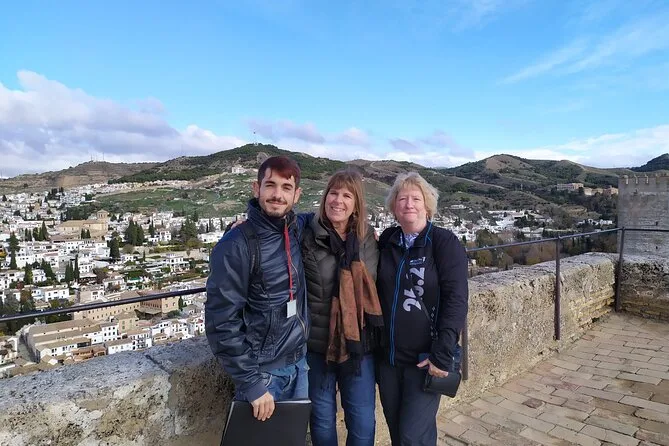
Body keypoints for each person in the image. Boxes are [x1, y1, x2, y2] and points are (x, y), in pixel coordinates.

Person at [205, 156, 310, 423]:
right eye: (270, 185)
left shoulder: (296, 228)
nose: (277, 195)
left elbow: (334, 218)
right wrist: (251, 383)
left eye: (286, 188)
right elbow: (221, 320)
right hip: (263, 376)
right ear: (256, 188)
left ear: (296, 195)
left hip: (299, 367)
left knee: (291, 441)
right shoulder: (236, 244)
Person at [376, 172, 469, 446]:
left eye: (416, 199)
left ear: (427, 205)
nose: (409, 204)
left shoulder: (443, 242)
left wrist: (442, 353)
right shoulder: (388, 241)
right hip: (389, 359)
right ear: (394, 207)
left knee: (411, 435)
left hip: (425, 359)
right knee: (397, 431)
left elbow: (456, 299)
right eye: (402, 199)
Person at [301, 170, 382, 446]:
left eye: (347, 195)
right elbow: (279, 224)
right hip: (318, 347)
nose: (338, 200)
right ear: (325, 197)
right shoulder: (306, 234)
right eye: (333, 193)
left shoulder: (368, 239)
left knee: (362, 423)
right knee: (322, 422)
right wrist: (244, 222)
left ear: (356, 203)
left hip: (359, 347)